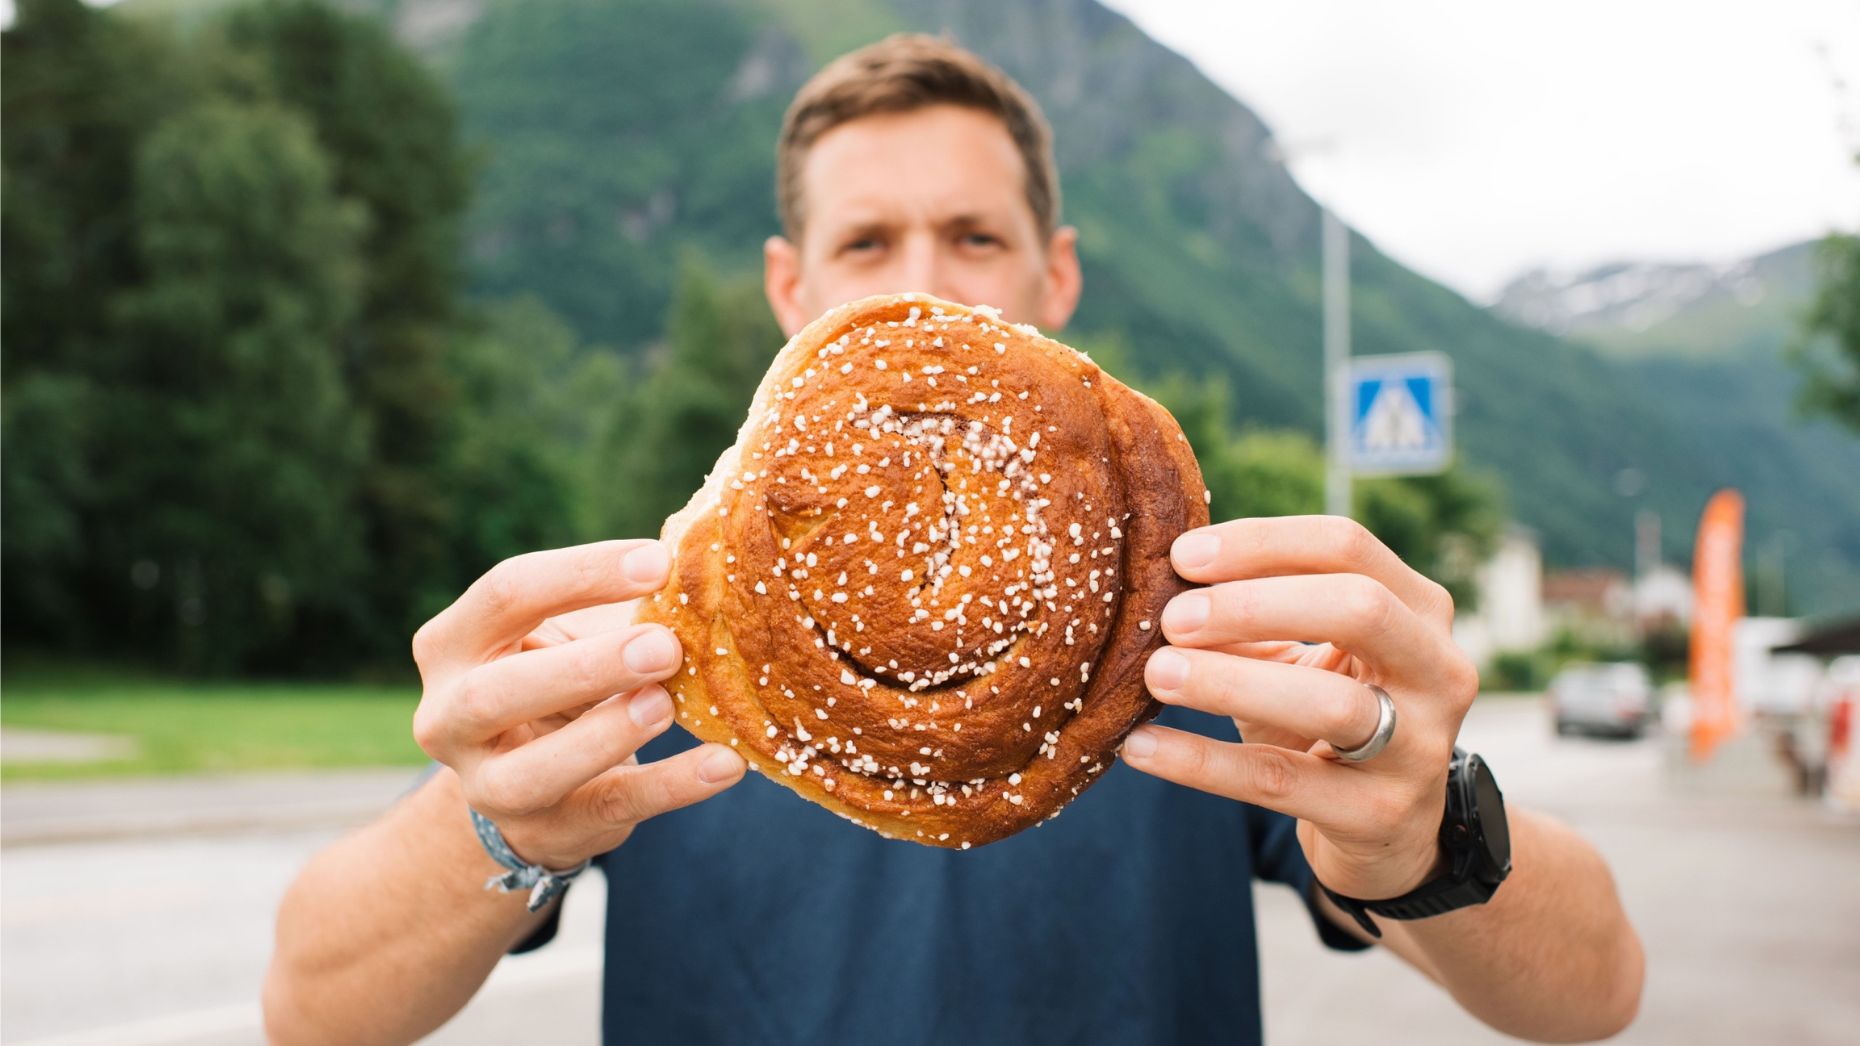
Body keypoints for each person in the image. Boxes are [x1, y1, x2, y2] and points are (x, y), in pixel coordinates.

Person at [264, 34, 1643, 1045]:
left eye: (974, 238)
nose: (922, 289)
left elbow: (1596, 989)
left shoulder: (1196, 639)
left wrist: (1420, 828)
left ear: (1058, 275)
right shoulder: (663, 643)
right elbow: (312, 1005)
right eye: (869, 245)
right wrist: (492, 823)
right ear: (790, 289)